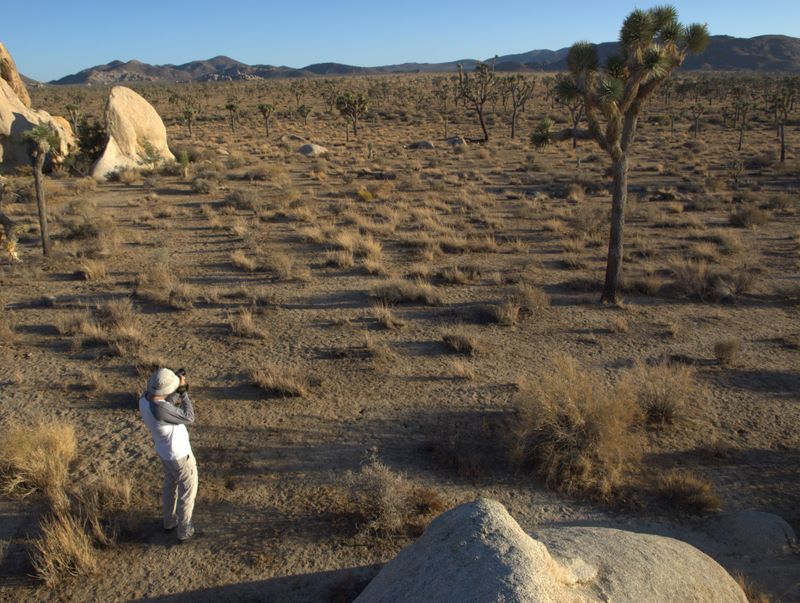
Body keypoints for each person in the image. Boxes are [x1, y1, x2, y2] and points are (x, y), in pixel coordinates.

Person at [139, 368, 199, 542]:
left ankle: (169, 522)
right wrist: (183, 393)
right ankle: (184, 530)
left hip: (165, 454)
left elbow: (165, 405)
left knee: (170, 487)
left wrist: (175, 392)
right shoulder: (161, 409)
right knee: (187, 492)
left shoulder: (144, 400)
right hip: (181, 456)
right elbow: (189, 417)